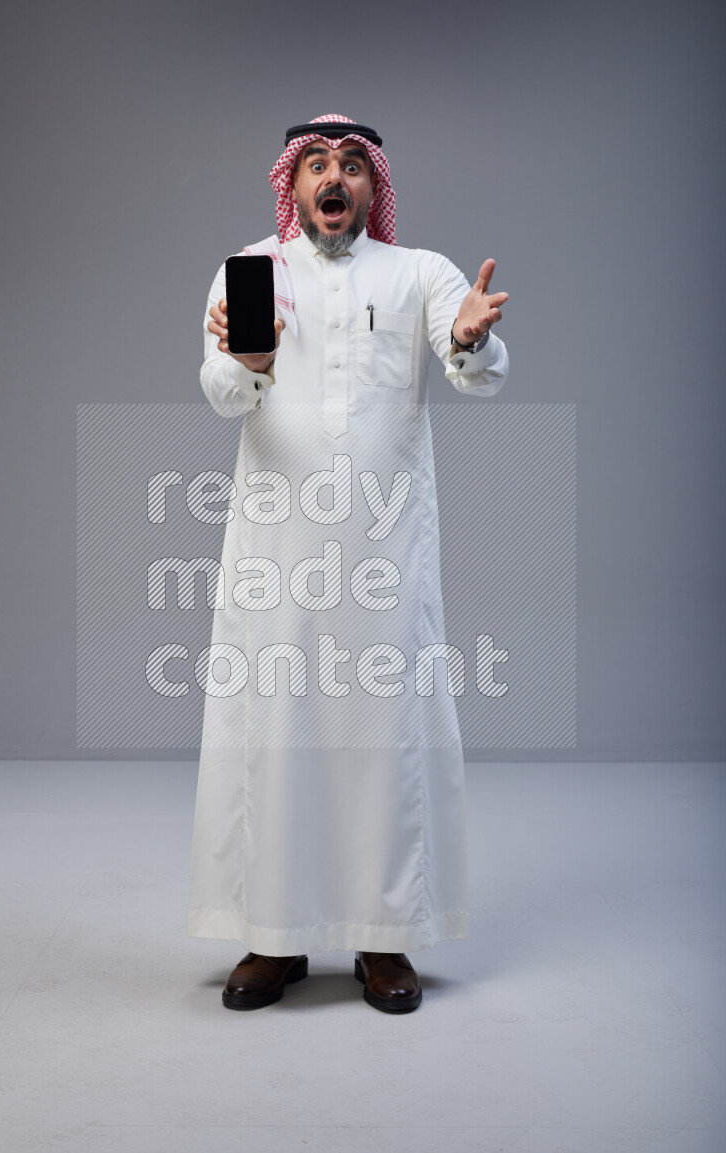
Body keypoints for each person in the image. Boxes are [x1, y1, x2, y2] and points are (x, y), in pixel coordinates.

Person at [187, 114, 509, 1013]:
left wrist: (475, 337)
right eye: (317, 165)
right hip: (276, 551)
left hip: (383, 551)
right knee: (276, 732)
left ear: (374, 187)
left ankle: (382, 938)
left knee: (381, 738)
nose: (335, 179)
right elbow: (218, 393)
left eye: (354, 167)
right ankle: (273, 937)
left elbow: (473, 365)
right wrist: (245, 359)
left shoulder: (418, 274)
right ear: (293, 186)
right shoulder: (252, 269)